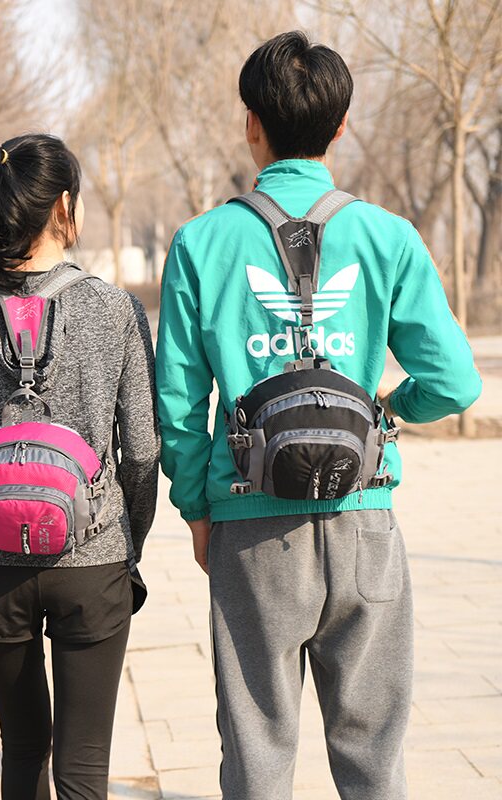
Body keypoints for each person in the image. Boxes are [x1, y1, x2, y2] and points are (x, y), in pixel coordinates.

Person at [156, 31, 481, 800]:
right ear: (342, 127)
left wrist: (197, 509)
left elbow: (178, 407)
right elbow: (455, 382)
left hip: (249, 523)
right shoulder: (388, 236)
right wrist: (387, 411)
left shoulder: (201, 243)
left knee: (257, 754)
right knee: (374, 759)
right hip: (364, 518)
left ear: (251, 123)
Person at [0, 133, 159, 800]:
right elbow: (142, 450)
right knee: (84, 769)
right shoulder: (115, 309)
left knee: (23, 750)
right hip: (94, 563)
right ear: (64, 208)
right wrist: (126, 543)